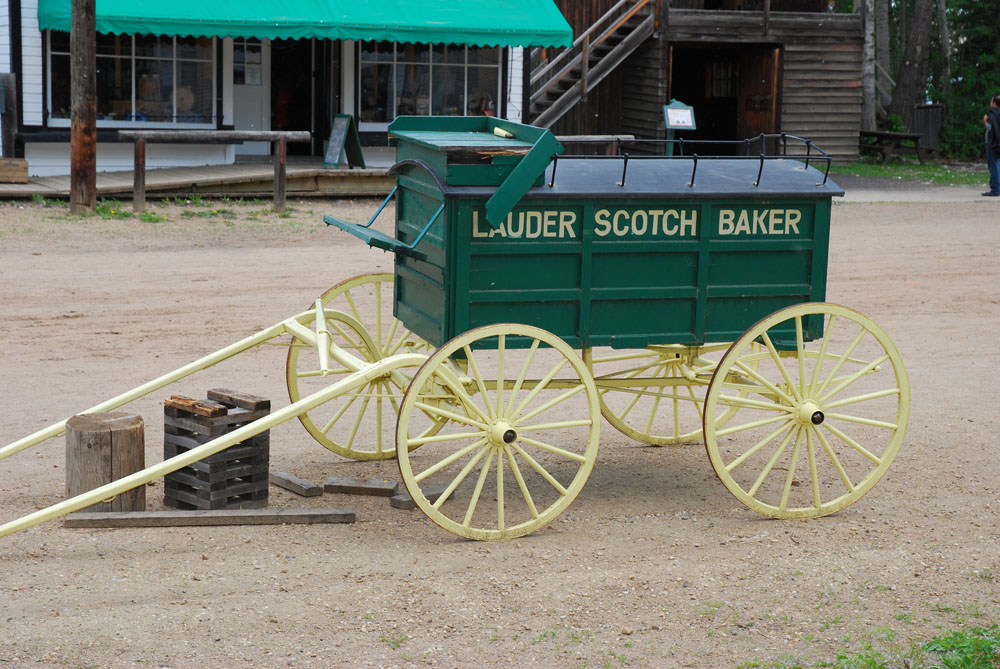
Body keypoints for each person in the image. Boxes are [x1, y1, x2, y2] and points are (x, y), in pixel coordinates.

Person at [983, 93, 1000, 197]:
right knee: (997, 165)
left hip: (993, 143)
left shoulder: (993, 114)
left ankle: (996, 189)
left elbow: (991, 129)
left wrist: (985, 121)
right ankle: (997, 187)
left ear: (994, 103)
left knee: (993, 165)